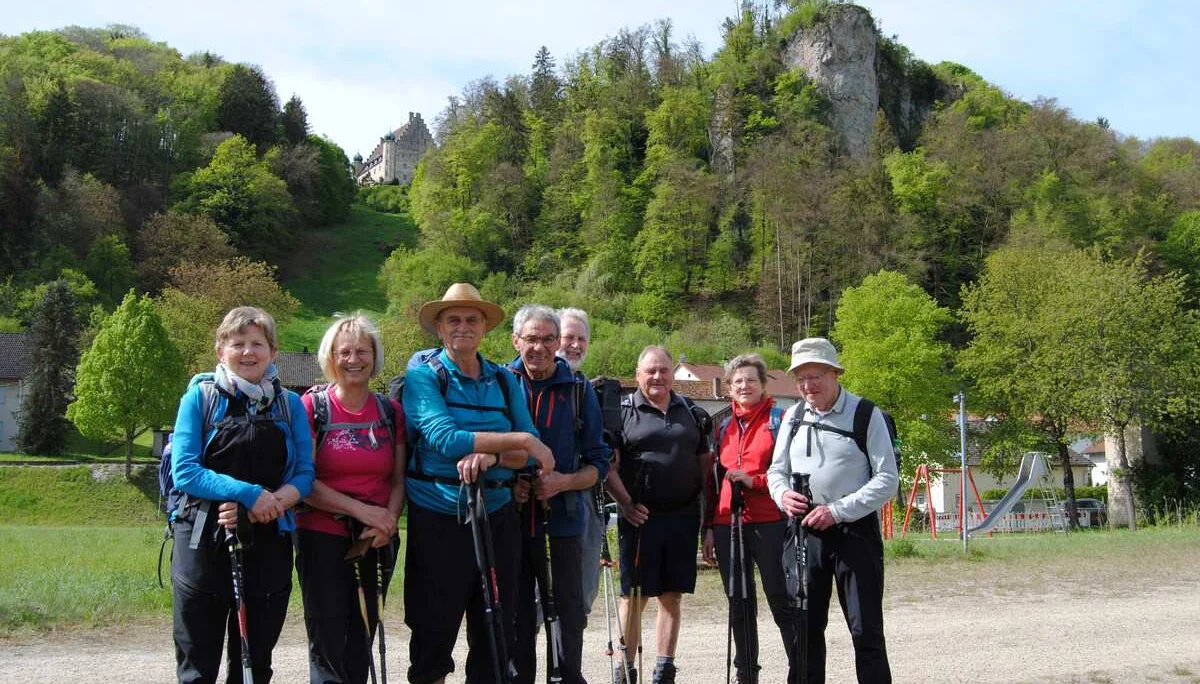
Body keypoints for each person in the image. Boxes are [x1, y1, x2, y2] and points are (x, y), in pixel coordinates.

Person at [402, 283, 556, 684]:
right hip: (439, 517)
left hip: (498, 515)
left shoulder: (504, 380)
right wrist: (520, 441)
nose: (463, 327)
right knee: (434, 631)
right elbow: (446, 439)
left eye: (472, 319)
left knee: (495, 632)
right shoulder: (423, 377)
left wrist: (492, 457)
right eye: (453, 319)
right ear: (439, 328)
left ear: (484, 327)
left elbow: (526, 455)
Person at [169, 306, 315, 683]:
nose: (248, 352)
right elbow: (185, 471)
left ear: (273, 352)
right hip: (203, 540)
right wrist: (250, 494)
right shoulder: (199, 399)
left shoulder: (289, 405)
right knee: (197, 664)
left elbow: (304, 475)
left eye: (257, 343)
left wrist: (270, 504)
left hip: (269, 540)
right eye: (237, 343)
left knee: (255, 662)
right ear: (221, 351)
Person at [766, 338, 898, 684]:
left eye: (815, 376)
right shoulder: (793, 416)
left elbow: (888, 479)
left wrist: (837, 511)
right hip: (804, 533)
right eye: (801, 378)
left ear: (835, 374)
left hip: (855, 532)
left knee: (865, 629)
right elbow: (776, 471)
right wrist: (782, 495)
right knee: (805, 629)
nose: (808, 385)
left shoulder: (866, 414)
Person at [295, 314, 405, 684]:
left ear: (375, 356)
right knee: (327, 639)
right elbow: (305, 482)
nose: (353, 359)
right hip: (321, 536)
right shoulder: (312, 408)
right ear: (330, 357)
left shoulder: (390, 412)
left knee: (363, 637)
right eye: (344, 352)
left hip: (377, 539)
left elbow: (398, 478)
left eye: (362, 351)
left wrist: (387, 522)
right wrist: (365, 512)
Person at [508, 305, 611, 684]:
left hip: (565, 521)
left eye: (547, 339)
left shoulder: (578, 390)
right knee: (518, 615)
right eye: (531, 339)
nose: (539, 347)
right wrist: (511, 482)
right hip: (512, 521)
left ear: (557, 343)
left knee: (569, 613)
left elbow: (599, 463)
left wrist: (562, 482)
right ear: (516, 341)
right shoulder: (500, 383)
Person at [609, 345, 712, 684]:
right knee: (634, 596)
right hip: (639, 519)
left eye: (664, 370)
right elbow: (607, 466)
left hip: (683, 517)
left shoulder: (691, 412)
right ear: (637, 375)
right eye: (650, 371)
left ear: (672, 374)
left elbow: (705, 467)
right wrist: (625, 503)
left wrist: (707, 519)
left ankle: (664, 670)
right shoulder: (623, 412)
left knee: (671, 595)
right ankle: (625, 670)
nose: (657, 376)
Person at [701, 354, 797, 684]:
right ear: (729, 387)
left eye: (751, 380)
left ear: (763, 384)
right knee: (739, 604)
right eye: (738, 381)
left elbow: (792, 473)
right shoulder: (723, 427)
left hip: (770, 520)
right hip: (727, 523)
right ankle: (746, 675)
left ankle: (801, 670)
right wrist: (709, 527)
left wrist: (754, 481)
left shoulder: (779, 420)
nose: (744, 386)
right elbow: (713, 481)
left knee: (781, 599)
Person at [555, 307, 606, 616]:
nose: (575, 345)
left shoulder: (582, 388)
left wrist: (566, 482)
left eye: (581, 339)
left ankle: (570, 646)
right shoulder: (516, 380)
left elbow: (598, 455)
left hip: (579, 501)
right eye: (568, 337)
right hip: (529, 504)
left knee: (578, 596)